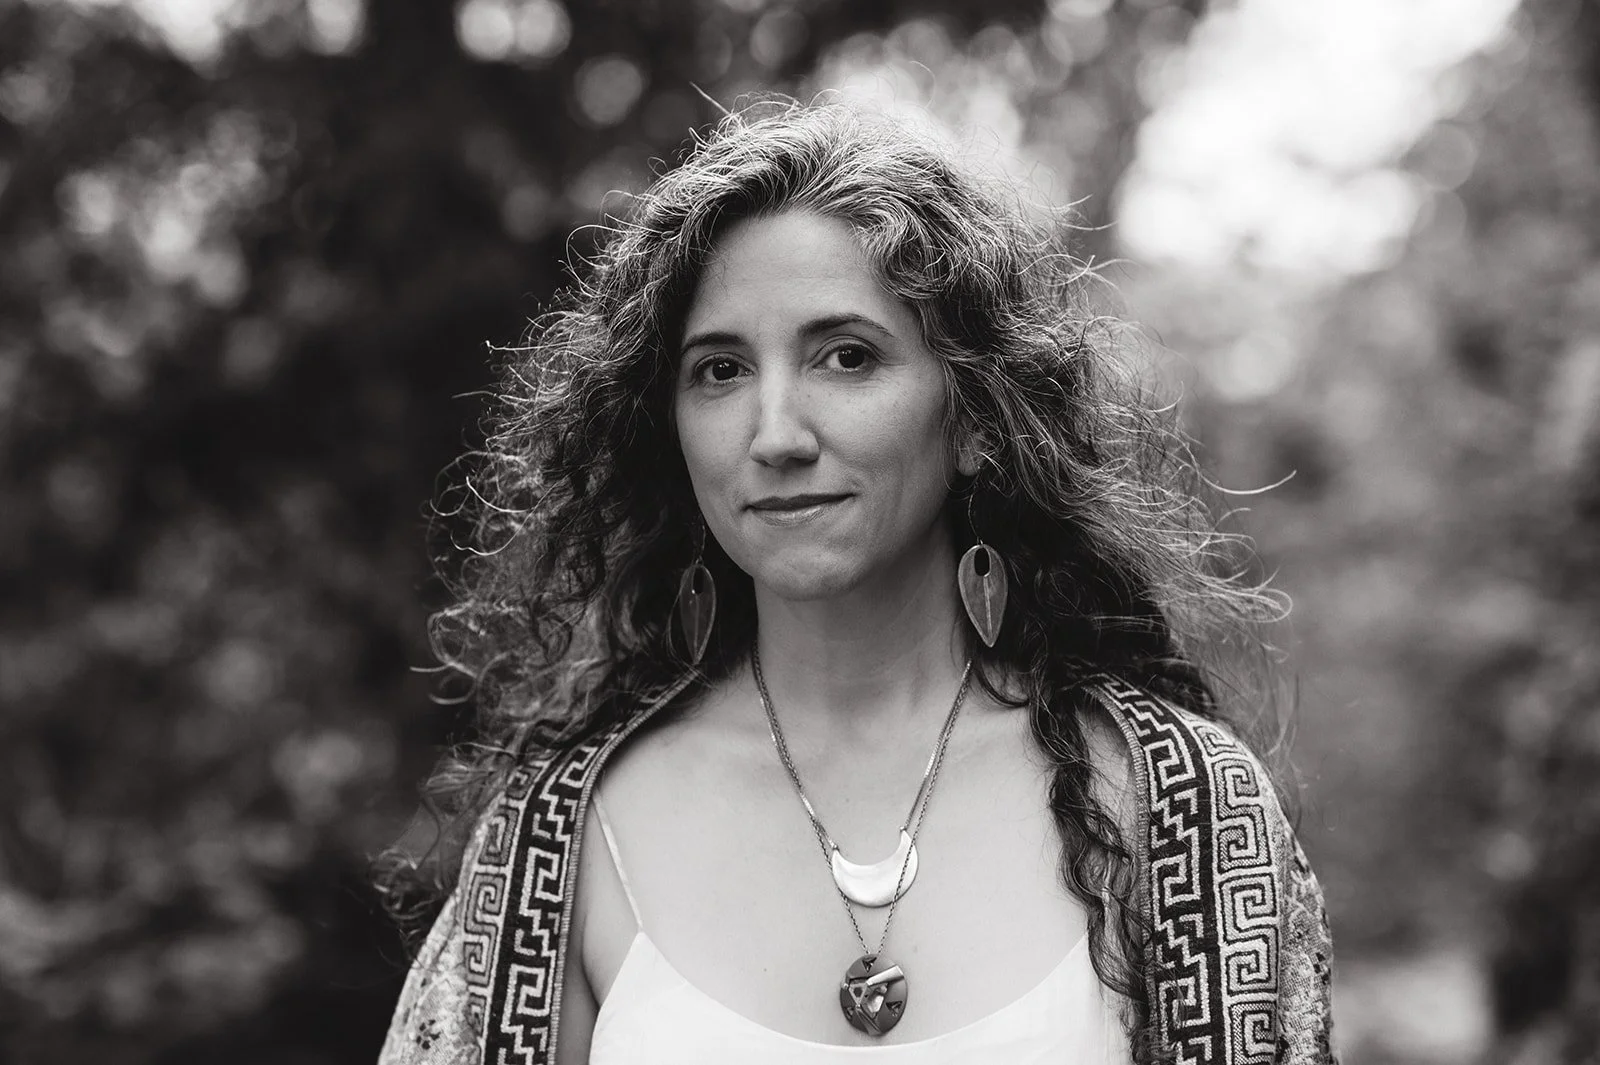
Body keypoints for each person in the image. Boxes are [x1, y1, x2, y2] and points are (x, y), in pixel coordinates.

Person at [376, 98, 1335, 1065]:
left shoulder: (1181, 815)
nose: (777, 434)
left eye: (846, 357)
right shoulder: (565, 839)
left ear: (976, 421)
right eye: (719, 371)